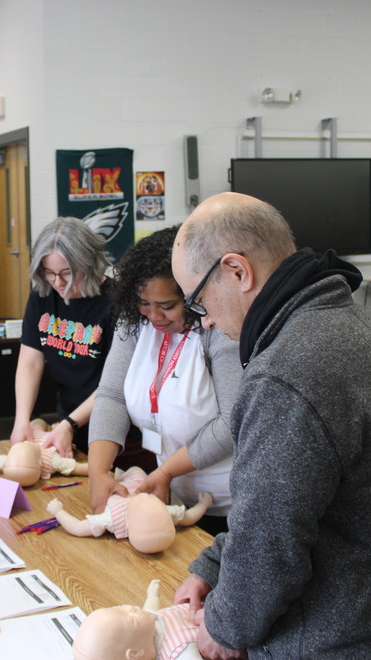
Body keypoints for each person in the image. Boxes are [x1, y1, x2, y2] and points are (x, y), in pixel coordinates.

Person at [170, 193, 371, 658]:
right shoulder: (356, 325)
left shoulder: (287, 372)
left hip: (349, 638)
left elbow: (272, 543)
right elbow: (287, 498)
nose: (204, 322)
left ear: (238, 271)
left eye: (198, 302)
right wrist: (214, 566)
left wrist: (223, 629)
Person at [88, 226, 240, 534]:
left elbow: (232, 424)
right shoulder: (134, 322)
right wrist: (98, 471)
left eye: (168, 306)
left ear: (194, 293)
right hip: (174, 495)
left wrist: (167, 470)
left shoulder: (221, 329)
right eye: (144, 303)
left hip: (232, 503)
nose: (154, 316)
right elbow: (111, 395)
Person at [11, 216, 155, 471]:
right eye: (49, 272)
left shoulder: (119, 302)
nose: (57, 283)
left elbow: (115, 381)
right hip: (70, 427)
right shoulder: (42, 296)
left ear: (89, 263)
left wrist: (71, 423)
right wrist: (22, 419)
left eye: (67, 273)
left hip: (120, 434)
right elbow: (30, 362)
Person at [46, 466, 212, 554]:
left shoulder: (113, 518)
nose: (145, 498)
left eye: (140, 504)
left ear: (128, 524)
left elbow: (77, 528)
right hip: (140, 482)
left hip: (114, 489)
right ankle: (119, 475)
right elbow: (188, 517)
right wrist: (202, 506)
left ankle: (118, 476)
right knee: (137, 470)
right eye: (152, 500)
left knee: (131, 472)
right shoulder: (163, 510)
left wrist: (58, 512)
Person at [73, 579, 203, 660]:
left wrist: (152, 597)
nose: (130, 608)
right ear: (135, 653)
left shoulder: (145, 630)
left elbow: (149, 612)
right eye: (132, 621)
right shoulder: (178, 651)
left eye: (120, 608)